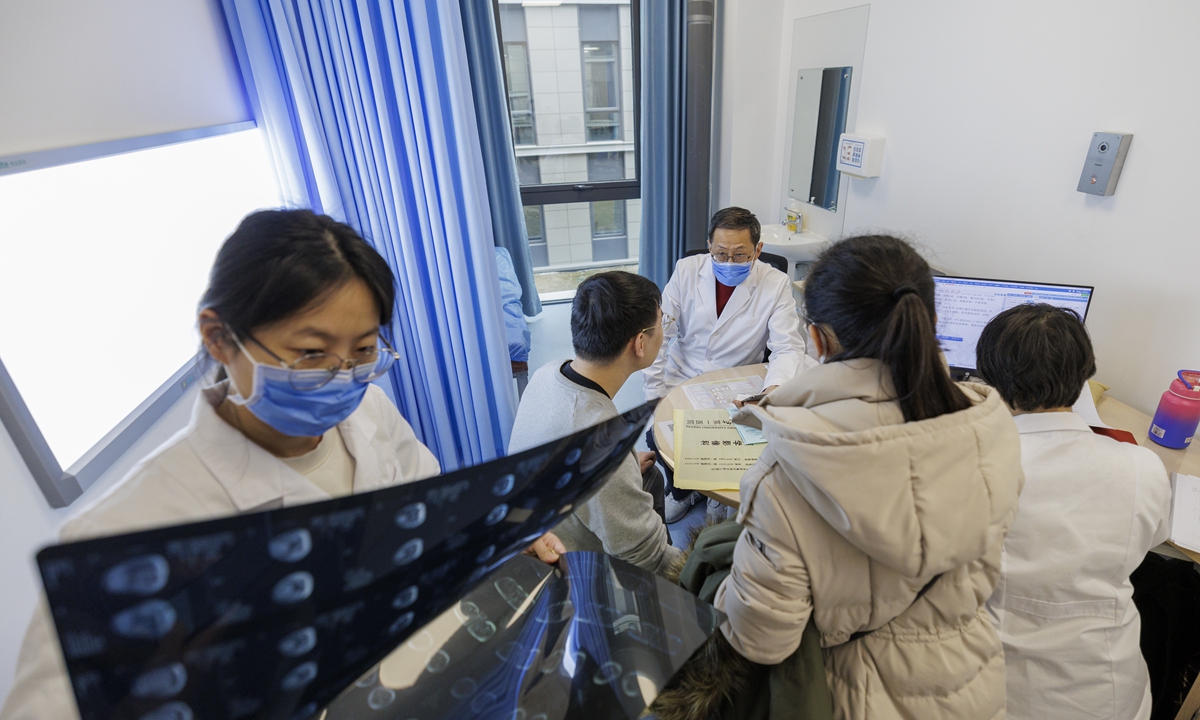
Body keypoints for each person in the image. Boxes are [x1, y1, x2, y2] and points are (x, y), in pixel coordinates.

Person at [0, 209, 563, 720]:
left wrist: (499, 533)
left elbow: (427, 511)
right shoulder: (119, 536)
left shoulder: (370, 411)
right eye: (310, 353)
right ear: (219, 338)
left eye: (364, 349)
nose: (340, 378)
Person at [668, 235, 1025, 720]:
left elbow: (761, 638)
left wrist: (726, 572)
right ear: (932, 321)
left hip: (847, 693)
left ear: (817, 339)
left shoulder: (791, 468)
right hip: (971, 681)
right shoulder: (991, 428)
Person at [975, 304, 1171, 720]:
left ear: (989, 381)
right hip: (1109, 690)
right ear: (1085, 376)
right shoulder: (1142, 467)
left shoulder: (972, 470)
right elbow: (1153, 537)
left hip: (1000, 688)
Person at [510, 271, 684, 576]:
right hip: (574, 566)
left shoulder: (548, 373)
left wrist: (624, 468)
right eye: (662, 325)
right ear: (640, 343)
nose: (664, 332)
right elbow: (649, 559)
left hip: (541, 522)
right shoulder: (600, 439)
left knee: (652, 477)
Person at [643, 207, 809, 522]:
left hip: (736, 381)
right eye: (720, 254)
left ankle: (718, 498)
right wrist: (655, 392)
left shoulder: (775, 284)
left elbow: (788, 347)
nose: (728, 262)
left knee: (737, 443)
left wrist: (770, 393)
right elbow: (660, 335)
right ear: (709, 246)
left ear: (758, 250)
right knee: (658, 435)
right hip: (683, 372)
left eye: (740, 255)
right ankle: (683, 490)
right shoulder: (687, 270)